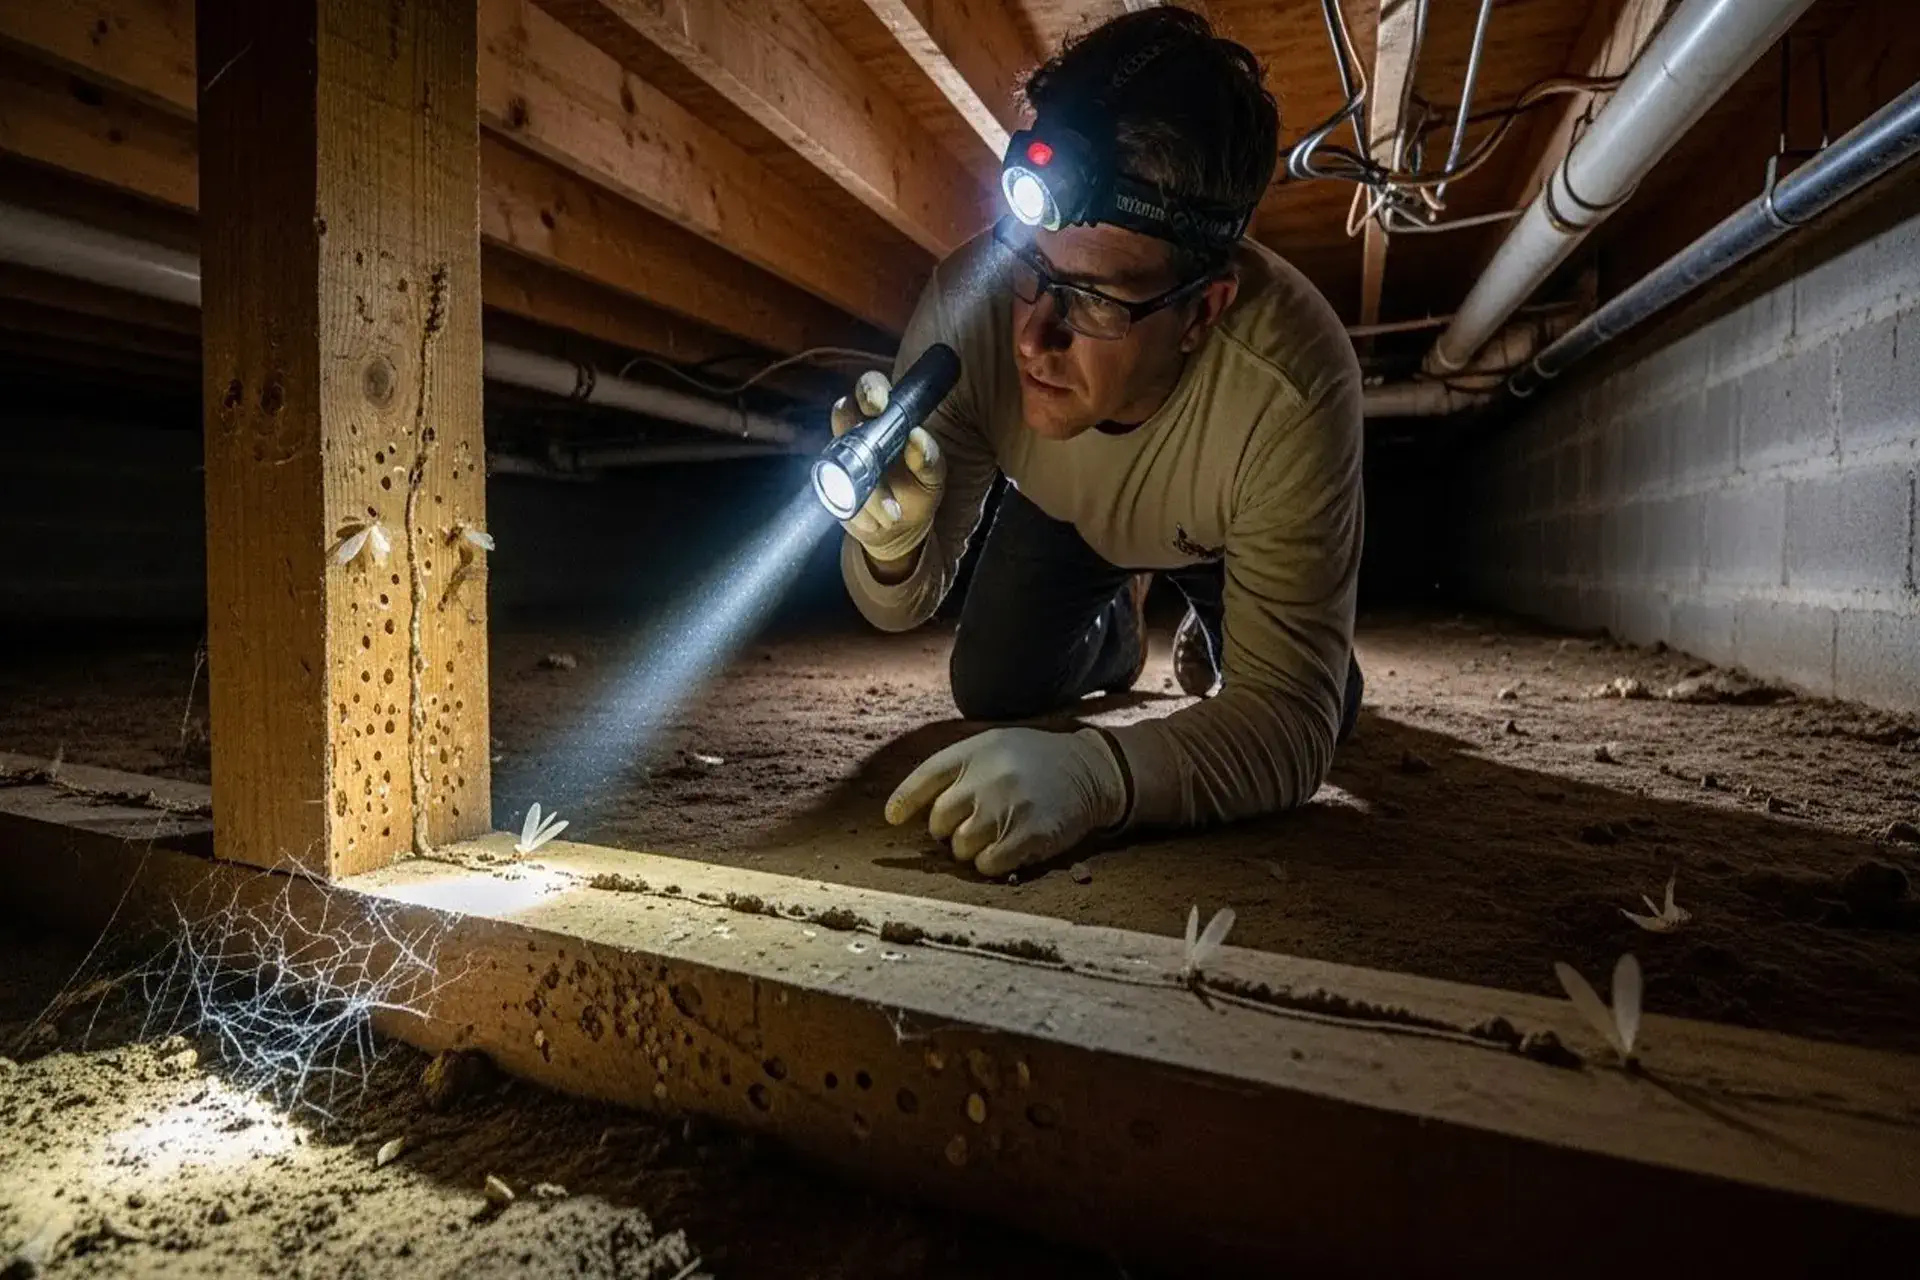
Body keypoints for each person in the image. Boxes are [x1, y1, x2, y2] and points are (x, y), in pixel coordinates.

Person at [830, 8, 1364, 879]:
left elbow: (1288, 729)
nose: (1033, 337)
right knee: (992, 689)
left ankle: (1222, 614)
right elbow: (900, 604)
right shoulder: (967, 309)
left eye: (1095, 298)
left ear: (1202, 311)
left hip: (1222, 539)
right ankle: (1122, 627)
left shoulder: (1290, 387)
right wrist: (889, 546)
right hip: (1067, 515)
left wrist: (1106, 773)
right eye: (1028, 267)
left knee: (1328, 702)